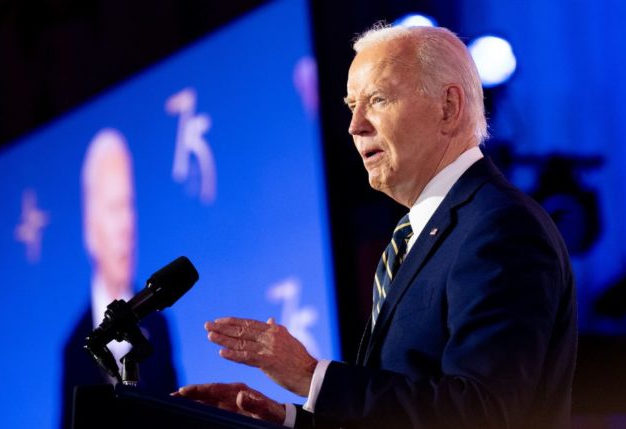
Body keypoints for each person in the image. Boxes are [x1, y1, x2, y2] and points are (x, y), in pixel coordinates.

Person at [173, 24, 577, 429]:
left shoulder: (499, 227)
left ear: (448, 107)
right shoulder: (418, 235)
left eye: (378, 100)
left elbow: (483, 413)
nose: (355, 126)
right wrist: (286, 420)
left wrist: (311, 376)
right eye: (351, 105)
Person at [60, 128, 178, 428]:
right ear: (90, 227)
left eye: (129, 205)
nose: (126, 225)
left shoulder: (158, 325)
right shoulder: (74, 348)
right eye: (114, 208)